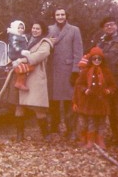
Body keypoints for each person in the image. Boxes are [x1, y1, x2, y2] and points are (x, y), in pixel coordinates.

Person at [0, 20, 54, 142]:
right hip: (22, 75)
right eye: (33, 28)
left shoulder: (45, 43)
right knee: (20, 106)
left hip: (35, 77)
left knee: (38, 107)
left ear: (42, 30)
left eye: (38, 28)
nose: (35, 30)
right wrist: (12, 62)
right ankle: (19, 135)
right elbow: (15, 50)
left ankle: (46, 135)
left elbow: (40, 55)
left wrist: (22, 60)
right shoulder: (25, 39)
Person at [47, 7, 83, 140]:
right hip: (53, 71)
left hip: (68, 70)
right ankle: (54, 127)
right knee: (53, 102)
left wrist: (75, 70)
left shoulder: (74, 30)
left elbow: (78, 52)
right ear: (54, 16)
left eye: (62, 14)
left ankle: (71, 129)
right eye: (58, 14)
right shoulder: (49, 29)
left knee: (69, 101)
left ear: (66, 16)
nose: (60, 17)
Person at [97, 16, 118, 148]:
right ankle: (116, 137)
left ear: (116, 26)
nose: (109, 27)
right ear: (103, 28)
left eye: (111, 25)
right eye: (106, 26)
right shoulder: (101, 43)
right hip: (105, 84)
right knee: (110, 111)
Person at [73, 47, 116, 149]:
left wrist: (109, 90)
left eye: (99, 59)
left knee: (102, 122)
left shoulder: (106, 72)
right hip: (89, 101)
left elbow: (113, 85)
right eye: (94, 58)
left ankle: (100, 139)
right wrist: (85, 90)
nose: (97, 61)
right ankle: (90, 140)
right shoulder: (86, 71)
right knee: (91, 121)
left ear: (102, 60)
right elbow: (79, 84)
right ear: (91, 59)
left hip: (102, 101)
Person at [7, 20, 34, 91]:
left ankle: (21, 82)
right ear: (15, 28)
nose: (21, 30)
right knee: (23, 67)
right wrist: (22, 51)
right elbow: (14, 46)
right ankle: (19, 83)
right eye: (19, 28)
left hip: (21, 55)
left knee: (26, 68)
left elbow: (29, 38)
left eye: (22, 28)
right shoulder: (14, 37)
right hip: (15, 55)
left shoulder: (22, 36)